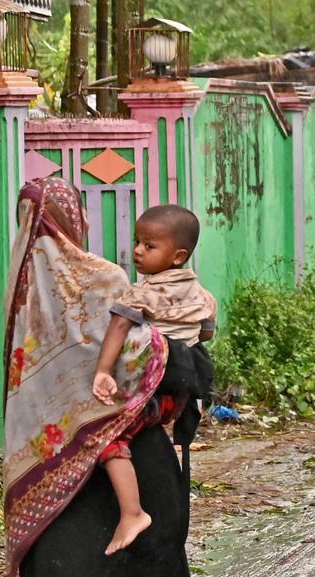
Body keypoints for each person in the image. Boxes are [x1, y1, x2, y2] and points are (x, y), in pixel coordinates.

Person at [3, 178, 208, 577]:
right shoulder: (111, 284)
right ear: (75, 222)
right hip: (135, 465)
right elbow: (168, 368)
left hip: (49, 478)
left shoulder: (20, 301)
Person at [92, 205, 217, 556]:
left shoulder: (141, 294)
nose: (137, 251)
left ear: (178, 256)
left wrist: (103, 371)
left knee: (108, 437)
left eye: (149, 246)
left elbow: (118, 327)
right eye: (137, 242)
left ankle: (132, 512)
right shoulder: (204, 296)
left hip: (151, 390)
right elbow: (205, 334)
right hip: (178, 394)